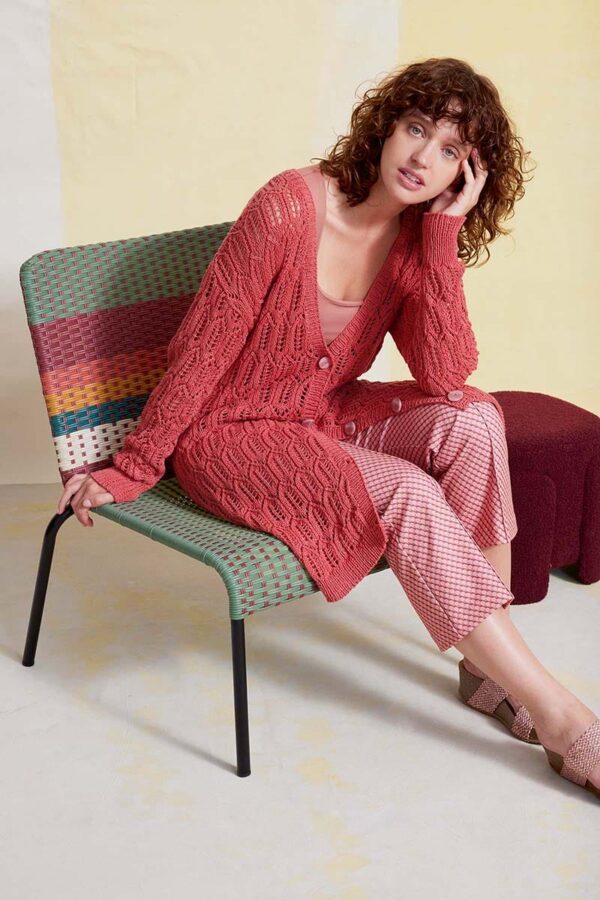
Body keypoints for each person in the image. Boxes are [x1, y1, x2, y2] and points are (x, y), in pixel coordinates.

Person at [57, 57, 599, 797]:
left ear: (466, 175)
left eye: (450, 151)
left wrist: (442, 238)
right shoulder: (288, 207)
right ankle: (561, 717)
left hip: (323, 415)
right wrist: (136, 464)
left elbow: (445, 373)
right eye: (416, 129)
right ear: (386, 126)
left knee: (474, 416)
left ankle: (488, 671)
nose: (422, 158)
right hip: (230, 434)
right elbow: (204, 347)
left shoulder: (416, 238)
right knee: (407, 492)